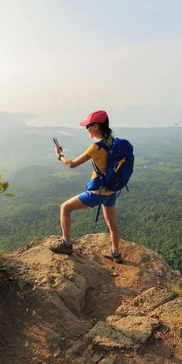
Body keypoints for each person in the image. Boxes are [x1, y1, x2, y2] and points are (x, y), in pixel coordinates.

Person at [49, 110, 123, 263]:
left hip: (97, 192)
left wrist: (59, 156)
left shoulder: (95, 147)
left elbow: (71, 164)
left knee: (65, 208)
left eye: (88, 126)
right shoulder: (114, 142)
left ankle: (66, 244)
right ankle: (115, 253)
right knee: (112, 224)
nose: (87, 129)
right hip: (111, 191)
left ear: (96, 126)